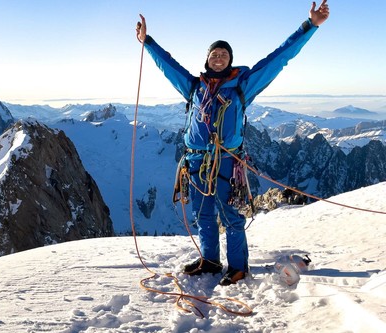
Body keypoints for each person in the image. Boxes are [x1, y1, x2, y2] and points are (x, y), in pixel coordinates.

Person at [135, 1, 330, 286]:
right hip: (197, 161)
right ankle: (210, 260)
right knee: (203, 215)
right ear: (207, 59)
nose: (219, 57)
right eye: (214, 54)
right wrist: (147, 41)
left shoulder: (242, 85)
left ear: (230, 59)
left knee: (231, 216)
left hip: (226, 161)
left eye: (224, 54)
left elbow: (277, 59)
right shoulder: (193, 86)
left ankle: (238, 267)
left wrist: (309, 26)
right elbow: (168, 66)